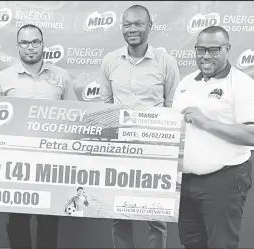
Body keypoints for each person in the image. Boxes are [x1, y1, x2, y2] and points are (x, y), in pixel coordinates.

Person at [172, 26, 254, 249]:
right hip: (185, 182)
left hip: (224, 179)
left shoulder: (244, 85)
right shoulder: (186, 83)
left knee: (221, 244)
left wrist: (206, 122)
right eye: (201, 49)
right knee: (191, 243)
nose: (206, 55)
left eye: (214, 50)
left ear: (227, 49)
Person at [99, 5, 180, 249]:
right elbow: (105, 104)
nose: (132, 29)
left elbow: (172, 105)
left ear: (149, 27)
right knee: (118, 214)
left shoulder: (166, 62)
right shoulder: (110, 61)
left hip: (155, 150)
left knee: (156, 217)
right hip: (120, 150)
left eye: (138, 24)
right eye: (127, 24)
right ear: (121, 27)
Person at [0, 24, 77, 249]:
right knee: (17, 221)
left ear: (43, 44)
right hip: (15, 164)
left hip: (52, 163)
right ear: (18, 46)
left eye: (35, 42)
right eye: (25, 43)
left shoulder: (61, 77)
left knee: (49, 220)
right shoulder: (2, 79)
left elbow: (76, 117)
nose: (30, 47)